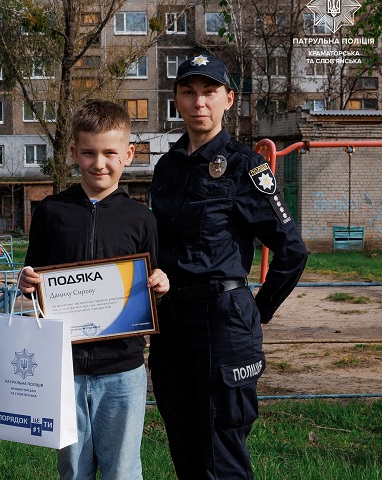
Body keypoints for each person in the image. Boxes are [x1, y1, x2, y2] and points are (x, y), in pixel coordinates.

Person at [148, 55, 308, 479]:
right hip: (171, 322)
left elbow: (292, 250)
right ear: (177, 100)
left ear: (228, 99)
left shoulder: (244, 166)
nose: (199, 101)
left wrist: (258, 310)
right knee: (183, 443)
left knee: (222, 451)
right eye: (189, 91)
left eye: (210, 91)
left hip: (223, 322)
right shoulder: (166, 168)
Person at [17, 100, 170, 480]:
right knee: (73, 469)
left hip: (123, 369)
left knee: (122, 469)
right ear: (74, 153)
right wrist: (27, 284)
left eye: (109, 153)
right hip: (64, 368)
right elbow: (34, 280)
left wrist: (161, 285)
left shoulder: (142, 218)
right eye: (88, 153)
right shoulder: (51, 212)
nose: (99, 163)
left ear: (129, 155)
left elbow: (153, 285)